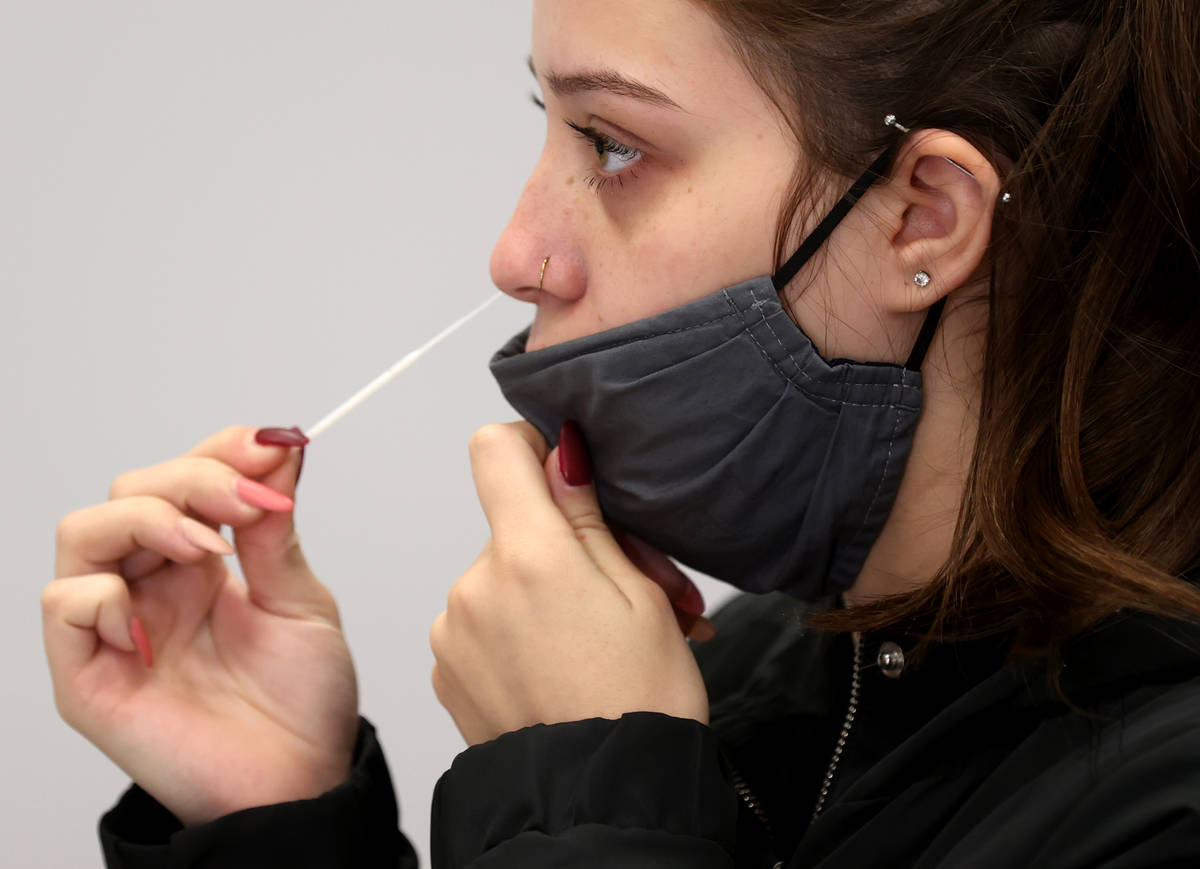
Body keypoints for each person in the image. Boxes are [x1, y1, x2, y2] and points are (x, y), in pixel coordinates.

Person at [42, 0, 1200, 866]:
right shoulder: (749, 679)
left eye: (610, 144)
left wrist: (590, 795)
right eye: (546, 125)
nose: (513, 252)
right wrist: (277, 818)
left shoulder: (1164, 792)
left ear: (923, 217)